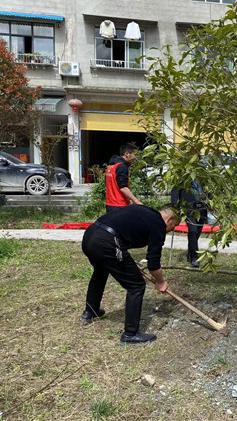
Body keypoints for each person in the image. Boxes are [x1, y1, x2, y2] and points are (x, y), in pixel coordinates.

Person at [81, 204, 181, 344]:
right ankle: (130, 334)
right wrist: (160, 281)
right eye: (174, 225)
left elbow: (124, 233)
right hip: (106, 241)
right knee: (136, 285)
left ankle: (90, 312)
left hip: (90, 235)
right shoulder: (158, 224)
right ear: (169, 218)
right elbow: (153, 262)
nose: (172, 229)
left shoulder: (145, 211)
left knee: (101, 271)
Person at [170, 179, 209, 268]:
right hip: (188, 209)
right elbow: (174, 192)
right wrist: (174, 206)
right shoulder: (183, 178)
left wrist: (210, 205)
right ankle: (194, 258)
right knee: (192, 231)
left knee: (197, 233)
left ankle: (190, 253)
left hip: (201, 209)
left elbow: (208, 193)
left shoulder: (203, 179)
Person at [105, 143, 142, 212]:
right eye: (135, 154)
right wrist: (137, 201)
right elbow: (123, 188)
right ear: (127, 154)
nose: (136, 158)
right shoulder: (122, 167)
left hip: (110, 204)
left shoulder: (111, 166)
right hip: (120, 205)